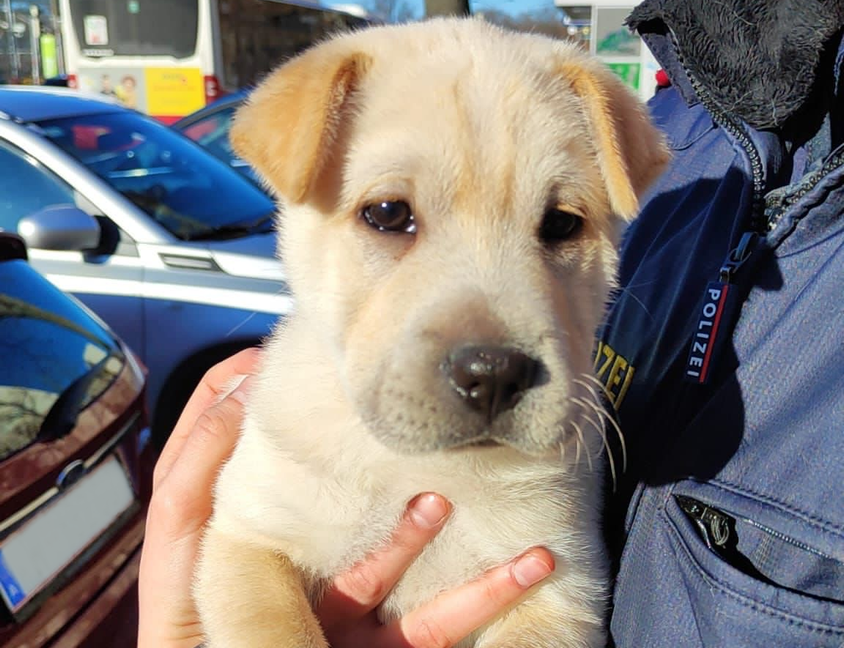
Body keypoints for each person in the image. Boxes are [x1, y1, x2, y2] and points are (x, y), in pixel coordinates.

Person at [139, 0, 844, 645]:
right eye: (390, 215)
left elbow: (555, 609)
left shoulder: (562, 440)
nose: (492, 344)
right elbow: (247, 548)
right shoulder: (288, 421)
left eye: (559, 225)